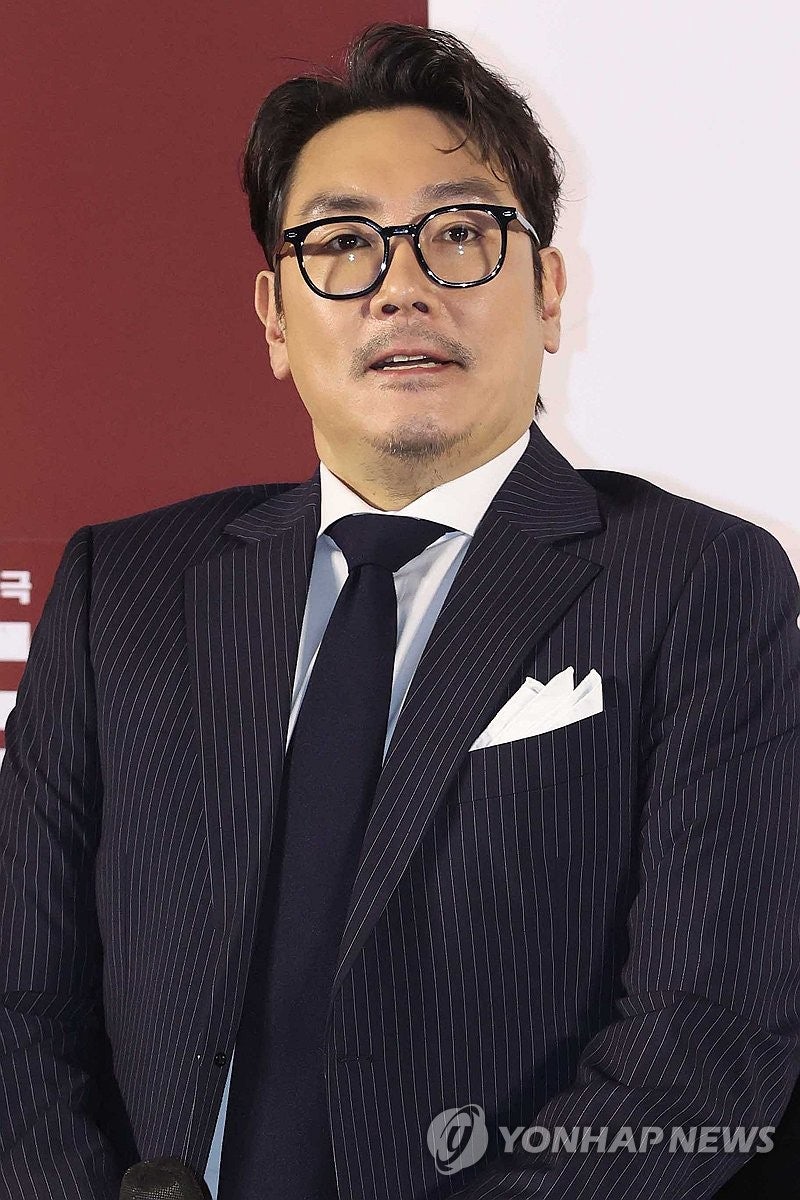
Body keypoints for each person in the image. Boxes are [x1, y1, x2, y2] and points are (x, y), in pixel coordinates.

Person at [0, 20, 798, 1200]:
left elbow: (704, 1044)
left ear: (548, 294)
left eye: (460, 234)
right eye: (341, 245)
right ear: (274, 318)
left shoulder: (697, 583)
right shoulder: (124, 588)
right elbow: (15, 998)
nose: (401, 286)